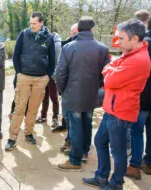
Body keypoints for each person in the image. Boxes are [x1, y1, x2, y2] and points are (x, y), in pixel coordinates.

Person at [82, 19, 151, 190]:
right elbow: (108, 66)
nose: (118, 42)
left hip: (121, 111)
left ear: (135, 38)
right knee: (100, 141)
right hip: (112, 109)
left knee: (118, 152)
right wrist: (111, 69)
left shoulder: (138, 59)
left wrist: (110, 71)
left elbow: (110, 79)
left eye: (121, 39)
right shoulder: (130, 54)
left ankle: (116, 183)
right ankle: (102, 177)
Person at [56, 16, 110, 171]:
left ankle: (75, 160)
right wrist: (96, 86)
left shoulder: (68, 47)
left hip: (73, 94)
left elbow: (60, 73)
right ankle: (85, 152)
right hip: (91, 94)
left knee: (75, 127)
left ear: (78, 29)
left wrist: (62, 90)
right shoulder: (102, 48)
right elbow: (106, 74)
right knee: (87, 123)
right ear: (92, 29)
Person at [5, 12, 55, 151]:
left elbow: (52, 58)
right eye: (31, 23)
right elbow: (15, 54)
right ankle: (12, 137)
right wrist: (19, 72)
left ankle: (28, 133)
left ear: (41, 23)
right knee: (19, 108)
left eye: (34, 23)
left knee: (33, 108)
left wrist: (47, 76)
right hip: (24, 77)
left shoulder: (48, 37)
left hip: (41, 79)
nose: (31, 26)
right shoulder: (24, 34)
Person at [126, 17, 151, 179]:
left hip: (143, 97)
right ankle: (148, 162)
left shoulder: (144, 45)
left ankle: (134, 166)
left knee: (136, 131)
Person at [58, 23, 78, 155]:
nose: (73, 35)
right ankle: (69, 140)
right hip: (67, 90)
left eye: (75, 32)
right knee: (67, 117)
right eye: (72, 32)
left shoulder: (93, 48)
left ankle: (77, 148)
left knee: (77, 121)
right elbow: (60, 71)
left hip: (80, 92)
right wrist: (61, 89)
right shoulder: (66, 46)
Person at [35, 31, 61, 130]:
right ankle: (43, 116)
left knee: (53, 97)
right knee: (44, 96)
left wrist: (54, 75)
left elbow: (57, 61)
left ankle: (55, 118)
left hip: (52, 75)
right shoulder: (47, 42)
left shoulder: (57, 44)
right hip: (44, 74)